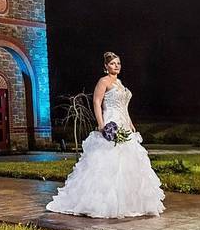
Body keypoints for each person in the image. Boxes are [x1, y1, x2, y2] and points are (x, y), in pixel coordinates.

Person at [46, 51, 165, 218]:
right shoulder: (104, 81)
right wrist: (102, 125)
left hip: (124, 123)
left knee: (130, 163)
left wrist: (130, 124)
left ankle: (130, 202)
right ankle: (103, 202)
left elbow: (125, 107)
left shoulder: (120, 83)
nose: (116, 66)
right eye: (113, 63)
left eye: (118, 63)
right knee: (108, 161)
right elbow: (97, 102)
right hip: (111, 122)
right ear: (106, 66)